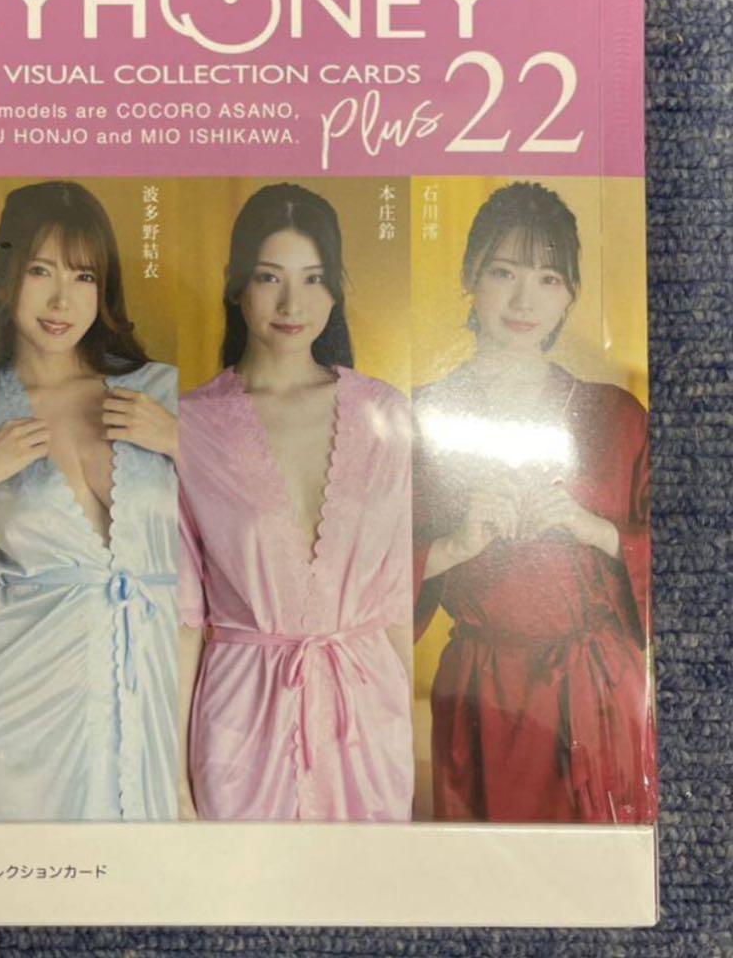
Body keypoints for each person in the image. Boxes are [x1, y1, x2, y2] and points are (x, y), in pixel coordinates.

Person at [413, 181, 657, 823]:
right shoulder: (418, 418)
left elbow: (698, 581)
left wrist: (599, 532)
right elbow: (359, 576)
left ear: (571, 294)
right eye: (504, 272)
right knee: (487, 873)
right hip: (481, 698)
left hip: (599, 693)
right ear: (470, 277)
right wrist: (452, 547)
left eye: (549, 279)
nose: (525, 301)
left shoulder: (618, 417)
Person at [0, 181, 178, 821]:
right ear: (3, 281)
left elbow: (231, 542)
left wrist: (178, 441)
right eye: (40, 271)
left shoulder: (160, 392)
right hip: (14, 714)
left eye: (83, 276)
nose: (61, 300)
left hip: (152, 693)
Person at [178, 183, 413, 821]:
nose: (292, 304)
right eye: (269, 277)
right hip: (240, 724)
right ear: (236, 286)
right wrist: (175, 784)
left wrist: (408, 750)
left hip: (367, 725)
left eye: (313, 279)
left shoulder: (385, 416)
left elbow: (396, 603)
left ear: (335, 290)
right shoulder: (190, 425)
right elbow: (184, 621)